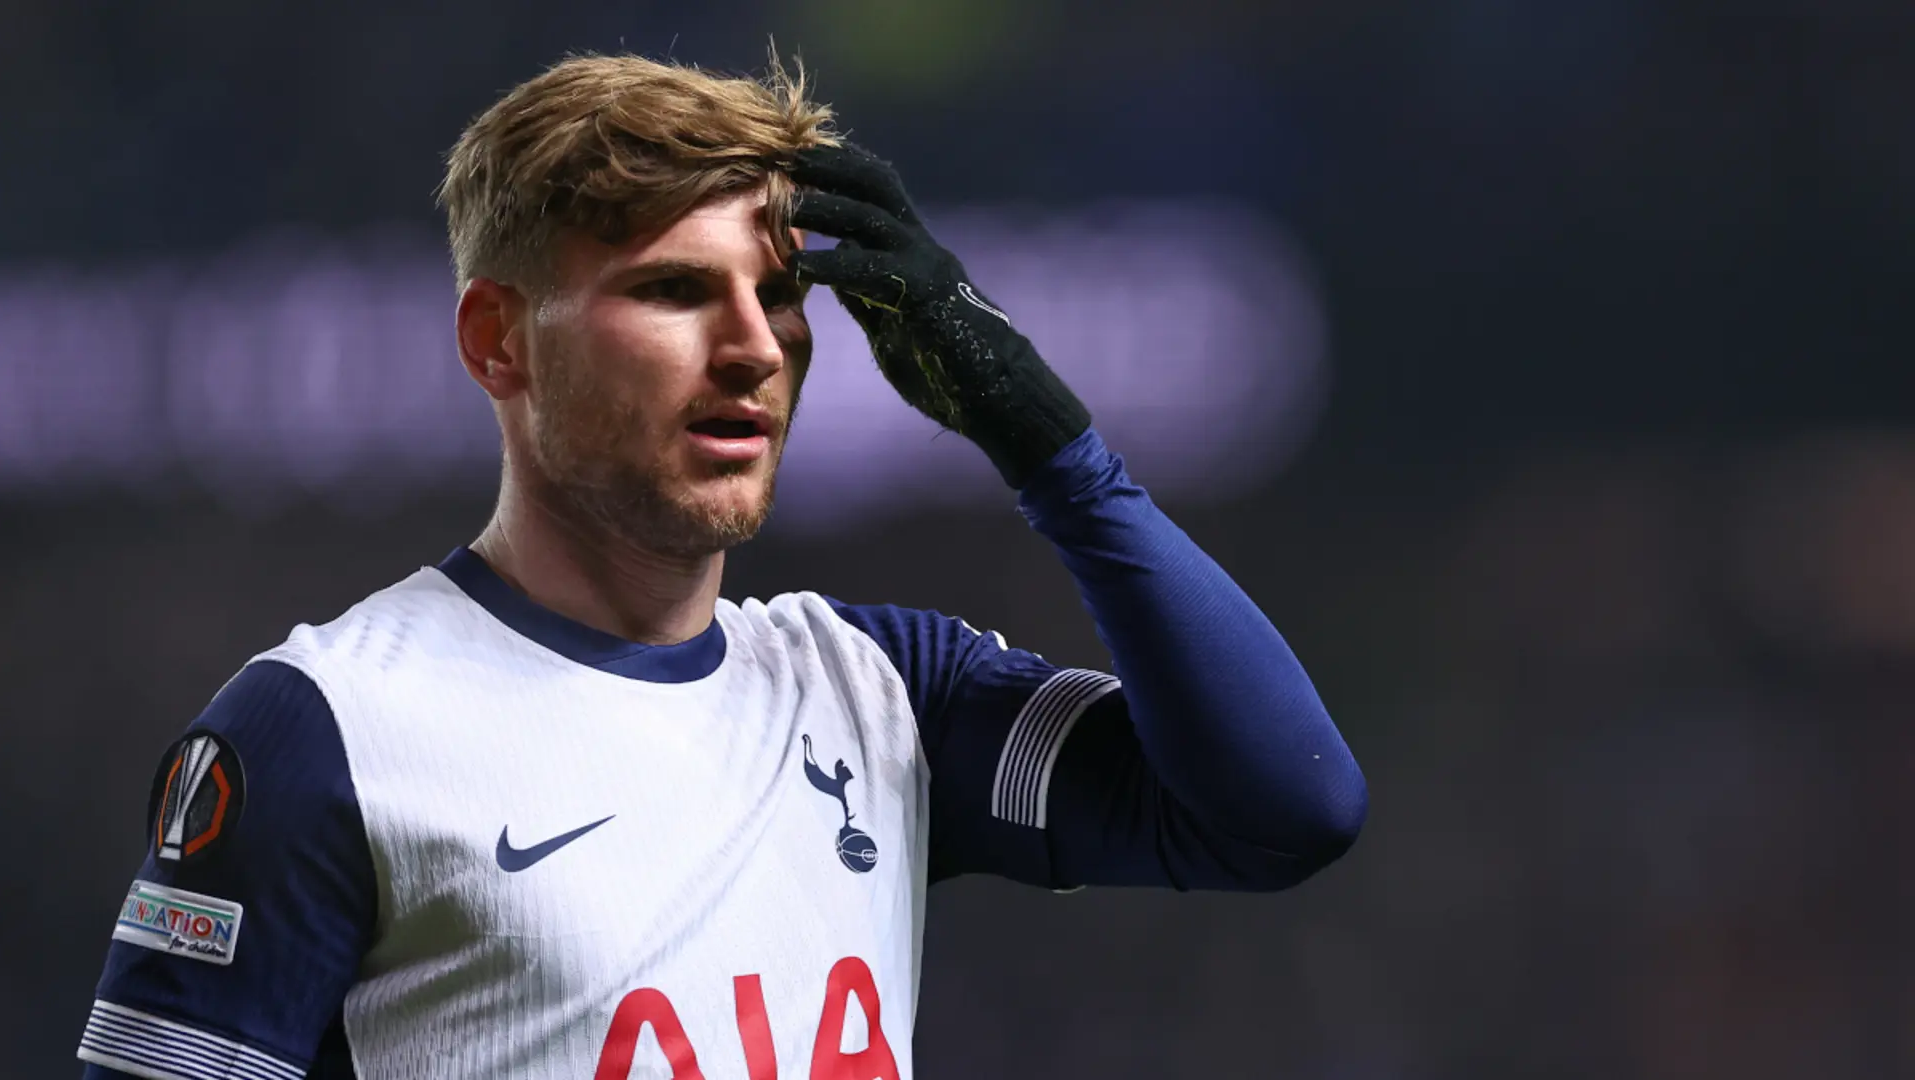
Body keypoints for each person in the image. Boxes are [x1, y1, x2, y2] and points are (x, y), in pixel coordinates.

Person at [77, 53, 1366, 1080]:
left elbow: (1284, 811)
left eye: (782, 293)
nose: (755, 346)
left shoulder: (879, 692)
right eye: (677, 292)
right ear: (497, 341)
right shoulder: (324, 733)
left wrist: (1057, 454)